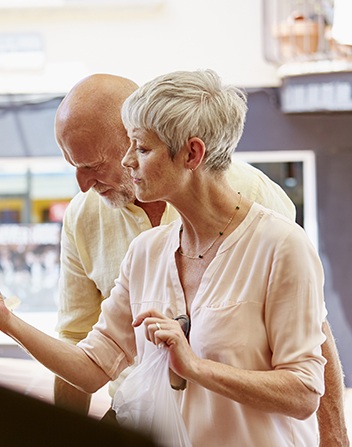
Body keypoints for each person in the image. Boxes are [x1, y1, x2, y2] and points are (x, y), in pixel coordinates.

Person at [0, 69, 331, 446]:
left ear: (192, 154)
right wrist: (1, 318)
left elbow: (304, 384)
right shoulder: (146, 253)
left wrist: (197, 368)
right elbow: (91, 364)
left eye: (142, 149)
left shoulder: (279, 241)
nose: (130, 162)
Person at [52, 73, 348, 446]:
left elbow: (308, 335)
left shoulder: (258, 206)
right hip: (142, 418)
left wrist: (334, 436)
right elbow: (81, 343)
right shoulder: (97, 224)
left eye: (93, 165)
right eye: (73, 165)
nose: (82, 184)